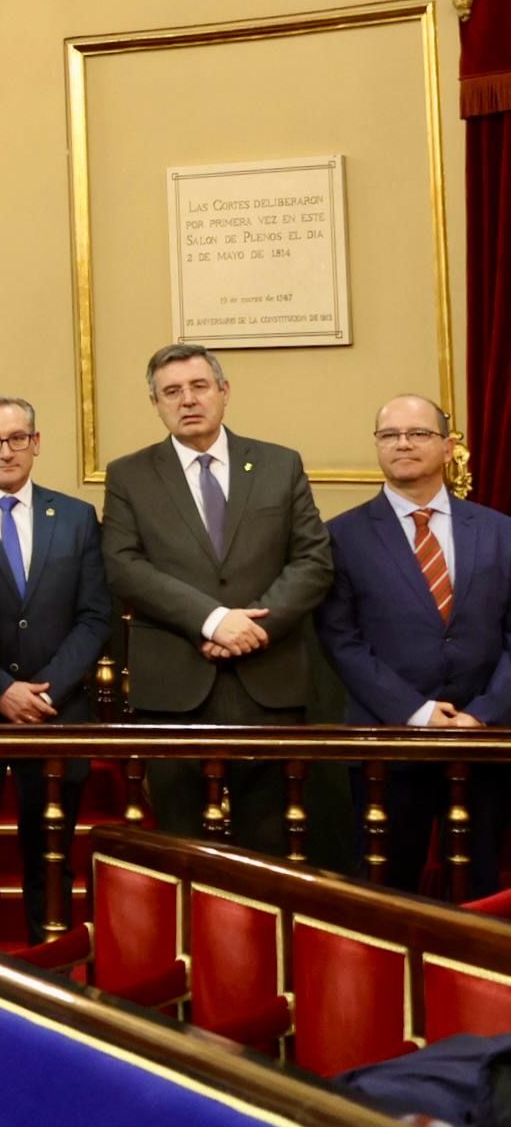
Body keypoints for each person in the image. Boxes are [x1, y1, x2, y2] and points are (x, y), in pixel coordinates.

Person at [100, 343, 331, 854]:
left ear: (224, 392)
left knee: (271, 844)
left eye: (199, 386)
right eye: (172, 392)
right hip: (175, 690)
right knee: (181, 845)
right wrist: (212, 620)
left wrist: (254, 630)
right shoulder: (129, 475)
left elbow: (313, 561)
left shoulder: (279, 464)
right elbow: (124, 566)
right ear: (156, 405)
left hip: (268, 685)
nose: (187, 400)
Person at [316, 394, 511, 893]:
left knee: (482, 886)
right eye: (390, 435)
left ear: (447, 447)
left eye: (418, 433)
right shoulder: (340, 536)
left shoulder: (499, 532)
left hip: (484, 744)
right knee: (387, 889)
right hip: (389, 744)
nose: (403, 443)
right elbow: (342, 641)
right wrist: (417, 712)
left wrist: (484, 714)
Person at [0, 394, 110, 931]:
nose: (5, 451)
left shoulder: (78, 517)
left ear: (36, 444)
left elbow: (94, 616)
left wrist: (47, 691)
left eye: (17, 438)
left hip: (57, 716)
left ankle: (50, 974)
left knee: (52, 863)